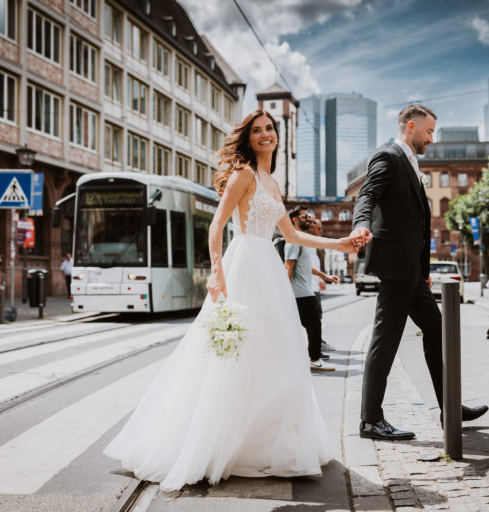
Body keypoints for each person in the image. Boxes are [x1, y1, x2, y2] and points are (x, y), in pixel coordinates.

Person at [104, 110, 363, 491]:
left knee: (280, 354)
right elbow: (216, 224)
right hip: (243, 266)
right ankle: (218, 441)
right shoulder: (243, 175)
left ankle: (272, 442)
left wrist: (338, 243)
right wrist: (216, 271)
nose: (265, 134)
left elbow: (292, 234)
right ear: (248, 137)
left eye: (270, 129)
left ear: (278, 136)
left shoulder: (273, 184)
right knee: (233, 355)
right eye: (257, 130)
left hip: (270, 275)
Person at [351, 104, 488, 441]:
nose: (432, 138)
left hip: (412, 269)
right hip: (397, 266)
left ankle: (450, 406)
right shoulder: (389, 156)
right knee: (385, 341)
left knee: (437, 330)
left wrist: (424, 269)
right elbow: (367, 194)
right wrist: (361, 225)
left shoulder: (412, 162)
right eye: (428, 132)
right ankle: (370, 420)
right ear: (411, 126)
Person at [285, 210, 335, 371]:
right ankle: (314, 358)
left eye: (309, 217)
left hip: (305, 291)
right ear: (294, 220)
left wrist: (325, 276)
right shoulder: (293, 241)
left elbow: (307, 266)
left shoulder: (300, 240)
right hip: (300, 292)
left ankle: (308, 358)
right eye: (305, 217)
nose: (309, 220)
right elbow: (288, 266)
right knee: (314, 326)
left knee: (308, 326)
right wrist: (285, 292)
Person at [308, 216, 339, 353]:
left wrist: (320, 279)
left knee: (315, 318)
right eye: (319, 228)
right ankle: (316, 348)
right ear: (311, 228)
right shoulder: (305, 243)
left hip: (313, 284)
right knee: (314, 319)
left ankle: (317, 344)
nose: (321, 231)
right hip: (308, 286)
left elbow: (312, 263)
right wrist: (325, 276)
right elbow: (305, 265)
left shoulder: (312, 244)